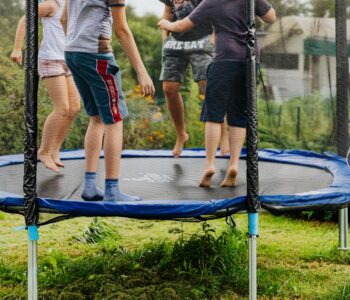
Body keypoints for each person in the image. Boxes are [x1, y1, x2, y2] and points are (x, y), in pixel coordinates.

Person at [159, 0, 276, 187]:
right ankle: (234, 165)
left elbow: (183, 25)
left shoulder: (211, 1)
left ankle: (209, 164)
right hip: (250, 60)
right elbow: (271, 17)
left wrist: (167, 25)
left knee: (213, 114)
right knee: (238, 114)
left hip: (224, 59)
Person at [61, 0, 155, 202]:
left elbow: (63, 19)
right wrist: (142, 72)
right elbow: (121, 30)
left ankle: (89, 185)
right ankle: (112, 189)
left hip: (72, 52)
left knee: (96, 117)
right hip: (97, 56)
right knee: (115, 118)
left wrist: (76, 42)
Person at [10, 0, 80, 173]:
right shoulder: (51, 4)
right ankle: (44, 151)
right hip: (51, 59)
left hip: (68, 59)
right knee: (62, 108)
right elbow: (25, 19)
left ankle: (55, 149)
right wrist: (18, 49)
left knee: (74, 108)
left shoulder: (72, 4)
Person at [159, 0, 229, 158]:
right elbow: (168, 12)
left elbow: (217, 13)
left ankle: (224, 133)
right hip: (175, 42)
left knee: (208, 86)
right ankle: (181, 134)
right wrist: (165, 38)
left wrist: (212, 39)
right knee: (169, 88)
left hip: (201, 40)